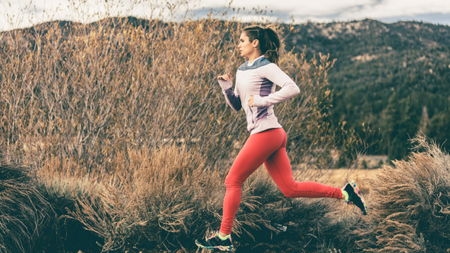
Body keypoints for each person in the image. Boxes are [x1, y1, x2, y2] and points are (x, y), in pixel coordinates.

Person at [195, 25, 368, 252]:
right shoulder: (241, 70)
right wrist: (226, 87)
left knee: (232, 181)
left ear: (254, 43)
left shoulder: (265, 66)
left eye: (242, 40)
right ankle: (346, 193)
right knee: (290, 188)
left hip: (266, 133)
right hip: (269, 134)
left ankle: (224, 236)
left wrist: (264, 101)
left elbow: (292, 88)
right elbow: (238, 105)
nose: (238, 44)